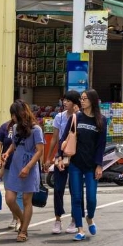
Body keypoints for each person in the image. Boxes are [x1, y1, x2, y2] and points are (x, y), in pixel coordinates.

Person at [58, 89, 106, 242]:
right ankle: (80, 229)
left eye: (85, 98)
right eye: (81, 98)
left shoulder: (101, 120)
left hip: (91, 165)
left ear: (92, 100)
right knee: (76, 197)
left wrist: (99, 165)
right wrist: (60, 157)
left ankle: (90, 218)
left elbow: (101, 145)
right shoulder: (75, 118)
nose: (82, 101)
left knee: (91, 199)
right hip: (75, 164)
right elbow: (63, 138)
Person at [0, 100, 44, 243]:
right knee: (9, 199)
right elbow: (14, 144)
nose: (13, 118)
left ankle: (23, 230)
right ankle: (22, 219)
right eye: (12, 115)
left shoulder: (36, 129)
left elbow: (39, 151)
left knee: (26, 200)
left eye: (15, 114)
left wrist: (28, 167)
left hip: (29, 166)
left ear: (22, 113)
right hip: (15, 165)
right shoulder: (16, 127)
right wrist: (7, 153)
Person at [47, 96, 76, 235]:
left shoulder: (80, 117)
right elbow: (54, 138)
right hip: (61, 154)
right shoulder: (59, 117)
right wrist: (49, 158)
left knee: (74, 189)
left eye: (68, 101)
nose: (64, 103)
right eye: (64, 100)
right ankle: (57, 219)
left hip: (76, 156)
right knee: (58, 188)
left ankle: (74, 220)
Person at [0, 112, 26, 230]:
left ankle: (19, 220)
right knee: (10, 194)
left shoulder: (28, 127)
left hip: (23, 164)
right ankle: (16, 216)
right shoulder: (5, 127)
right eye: (13, 113)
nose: (14, 116)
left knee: (20, 194)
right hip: (8, 165)